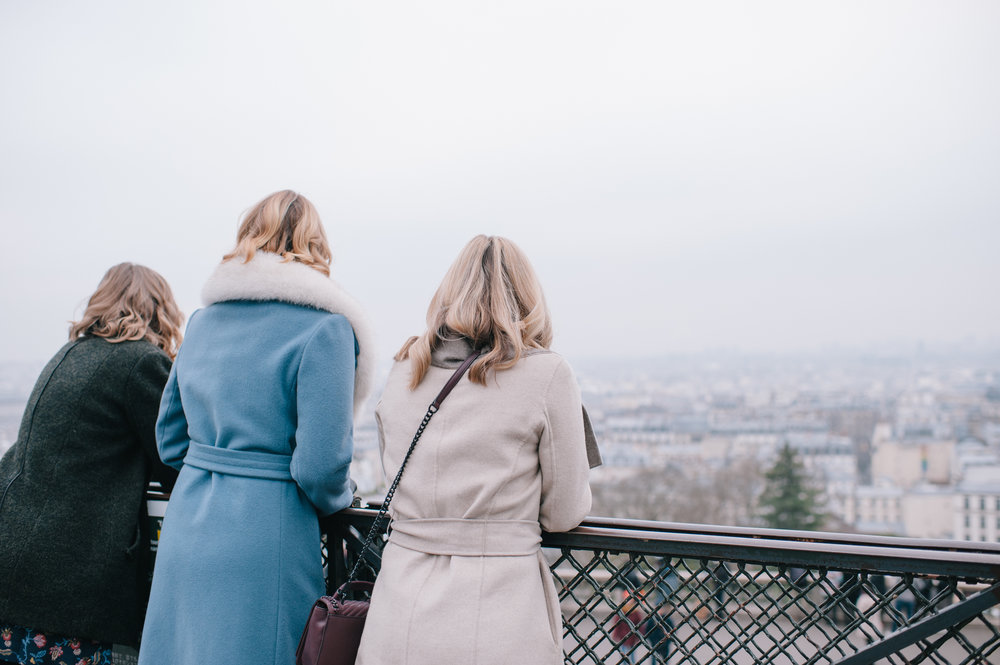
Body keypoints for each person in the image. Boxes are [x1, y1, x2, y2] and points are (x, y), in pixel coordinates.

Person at [137, 190, 375, 665]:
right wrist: (340, 500)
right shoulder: (324, 329)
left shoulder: (203, 323)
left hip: (189, 526)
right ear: (316, 247)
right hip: (267, 535)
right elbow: (321, 467)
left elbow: (170, 439)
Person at [356, 235, 593, 665]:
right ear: (527, 298)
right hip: (499, 616)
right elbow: (564, 512)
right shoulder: (546, 374)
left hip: (397, 612)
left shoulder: (404, 370)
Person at [0, 263, 184, 664]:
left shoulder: (70, 352)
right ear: (160, 309)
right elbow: (174, 460)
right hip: (71, 585)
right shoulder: (140, 362)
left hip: (18, 564)